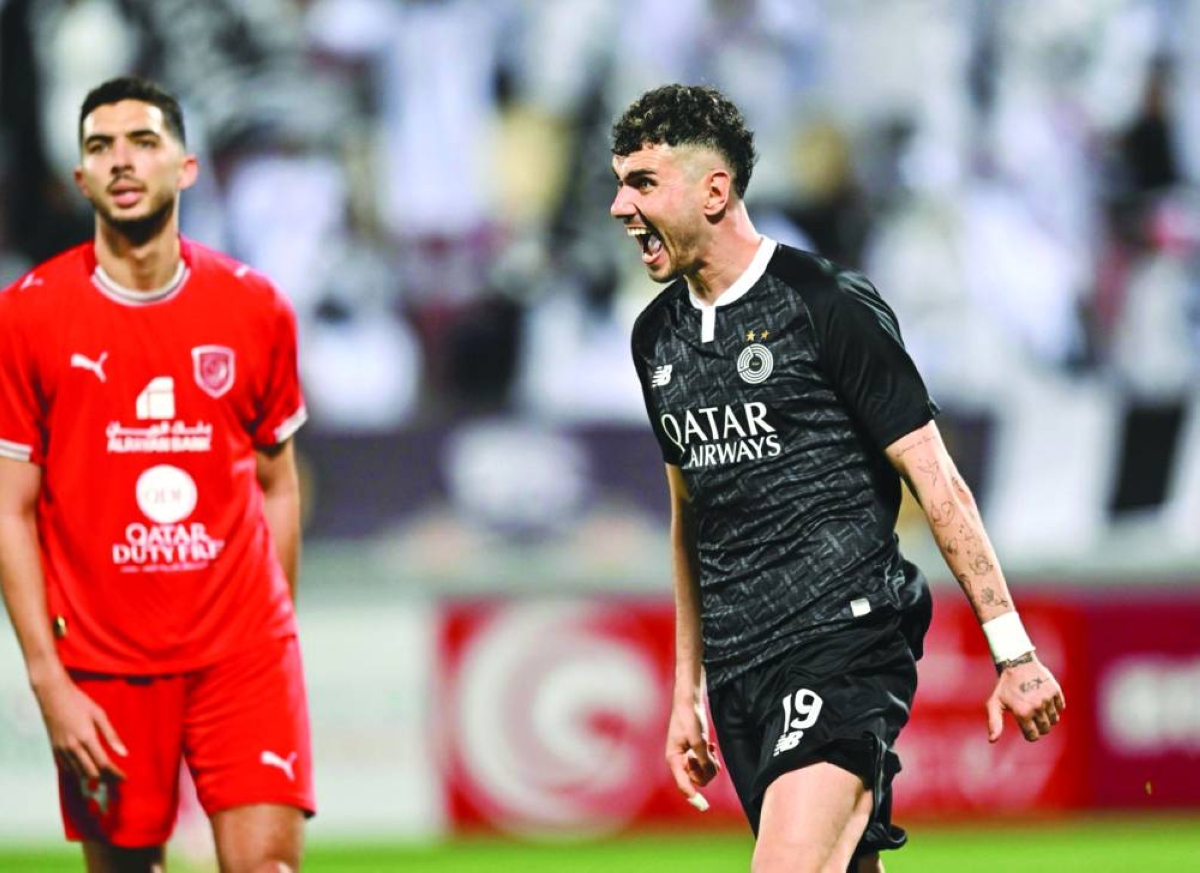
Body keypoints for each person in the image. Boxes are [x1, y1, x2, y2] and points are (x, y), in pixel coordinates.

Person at [614, 84, 1065, 873]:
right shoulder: (655, 338)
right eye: (620, 182)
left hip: (841, 639)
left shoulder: (825, 304)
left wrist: (1012, 650)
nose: (621, 206)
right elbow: (691, 515)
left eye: (643, 182)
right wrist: (687, 687)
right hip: (741, 670)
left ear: (714, 190)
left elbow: (936, 477)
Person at [0, 76, 314, 872]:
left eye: (144, 141)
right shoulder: (27, 316)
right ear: (79, 179)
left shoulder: (255, 308)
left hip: (244, 653)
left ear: (187, 167)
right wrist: (49, 680)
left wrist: (275, 631)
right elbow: (10, 510)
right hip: (102, 665)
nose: (122, 160)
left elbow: (278, 482)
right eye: (100, 147)